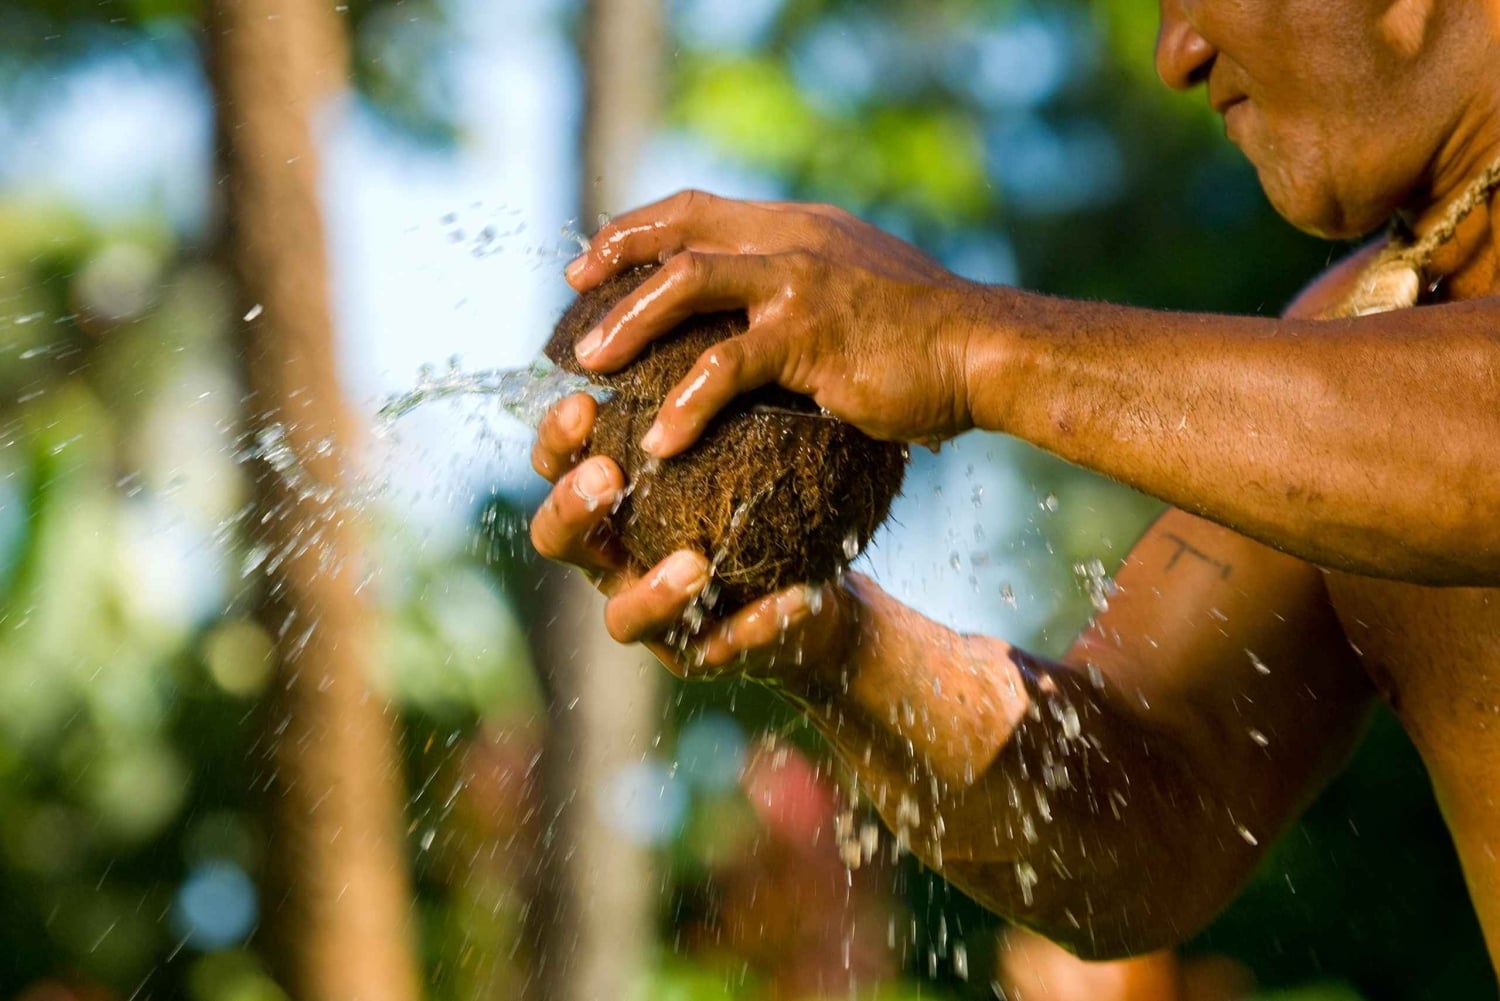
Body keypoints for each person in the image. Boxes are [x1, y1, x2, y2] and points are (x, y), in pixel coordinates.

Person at [529, 0, 1500, 970]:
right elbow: (1147, 825)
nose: (1178, 55)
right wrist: (833, 639)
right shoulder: (1365, 325)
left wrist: (966, 341)